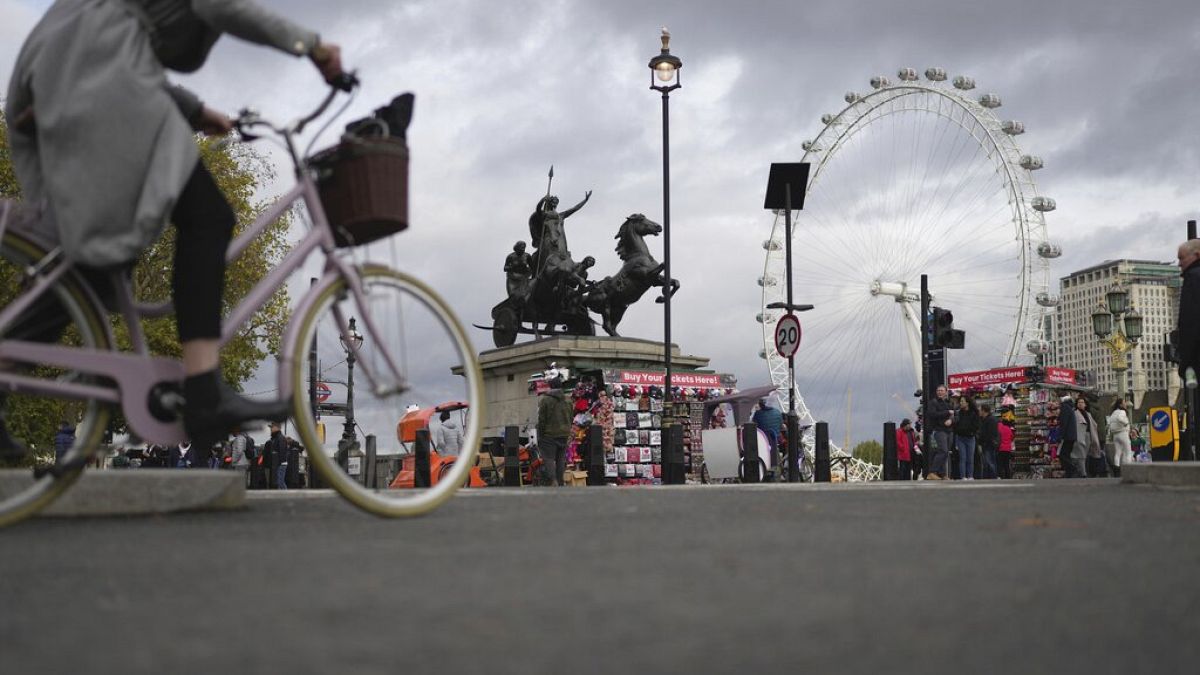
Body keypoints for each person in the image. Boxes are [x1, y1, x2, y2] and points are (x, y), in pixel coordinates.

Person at [0, 1, 347, 461]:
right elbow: (218, 7)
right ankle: (204, 389)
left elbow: (124, 47)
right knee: (207, 216)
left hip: (58, 77)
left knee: (87, 270)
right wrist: (314, 46)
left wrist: (194, 109)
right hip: (90, 73)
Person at [536, 376, 572, 486]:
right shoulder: (568, 399)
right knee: (561, 459)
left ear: (550, 386)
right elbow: (571, 416)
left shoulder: (545, 400)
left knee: (549, 458)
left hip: (549, 434)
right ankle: (560, 481)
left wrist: (540, 434)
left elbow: (542, 419)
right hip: (564, 433)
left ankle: (553, 480)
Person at [925, 385, 953, 480]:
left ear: (946, 392)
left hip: (948, 431)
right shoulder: (933, 402)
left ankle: (942, 473)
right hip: (939, 430)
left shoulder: (948, 403)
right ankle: (932, 472)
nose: (940, 392)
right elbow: (932, 414)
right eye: (938, 390)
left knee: (945, 453)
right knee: (943, 451)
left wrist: (951, 420)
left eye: (942, 390)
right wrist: (947, 413)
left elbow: (955, 415)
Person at [752, 398, 784, 470]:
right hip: (776, 439)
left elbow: (753, 426)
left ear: (761, 405)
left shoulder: (757, 414)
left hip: (764, 440)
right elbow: (781, 426)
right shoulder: (777, 412)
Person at [953, 396, 980, 480]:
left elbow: (977, 425)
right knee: (962, 458)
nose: (961, 403)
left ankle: (970, 476)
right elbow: (955, 425)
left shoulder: (974, 413)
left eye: (962, 401)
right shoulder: (958, 413)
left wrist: (971, 431)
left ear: (967, 403)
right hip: (960, 438)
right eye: (960, 401)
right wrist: (959, 431)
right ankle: (963, 476)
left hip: (971, 438)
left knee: (970, 458)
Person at [1076, 397, 1104, 477]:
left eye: (1082, 402)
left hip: (1088, 435)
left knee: (1087, 454)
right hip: (1080, 436)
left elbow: (1093, 425)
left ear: (1085, 404)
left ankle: (1086, 472)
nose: (1080, 404)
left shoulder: (1088, 414)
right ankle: (1083, 473)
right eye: (1079, 402)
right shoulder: (1075, 413)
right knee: (1082, 454)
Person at [1106, 399, 1132, 478]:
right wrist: (1126, 423)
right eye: (1124, 403)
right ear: (1120, 405)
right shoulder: (1122, 412)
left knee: (1117, 453)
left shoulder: (1113, 413)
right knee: (1128, 452)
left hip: (1115, 435)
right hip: (1123, 433)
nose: (1125, 405)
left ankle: (1117, 471)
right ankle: (1128, 469)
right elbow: (1120, 419)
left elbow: (1109, 422)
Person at [1057, 395, 1080, 478]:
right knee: (1066, 454)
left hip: (1067, 436)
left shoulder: (1065, 408)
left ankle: (1073, 470)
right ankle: (1070, 472)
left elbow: (1064, 423)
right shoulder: (1070, 407)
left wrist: (1060, 436)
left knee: (1063, 455)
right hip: (1071, 436)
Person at [976, 403, 999, 479]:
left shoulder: (991, 420)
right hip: (986, 444)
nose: (979, 412)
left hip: (989, 444)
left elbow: (990, 434)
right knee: (987, 462)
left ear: (984, 411)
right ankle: (989, 477)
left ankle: (993, 477)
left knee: (990, 462)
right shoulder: (984, 420)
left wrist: (982, 442)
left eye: (980, 410)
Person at [263, 422, 287, 489]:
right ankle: (283, 497)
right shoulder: (276, 438)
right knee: (279, 482)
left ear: (277, 428)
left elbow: (281, 451)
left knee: (280, 482)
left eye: (272, 427)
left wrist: (277, 464)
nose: (271, 429)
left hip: (280, 463)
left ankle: (287, 496)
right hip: (278, 463)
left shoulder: (280, 438)